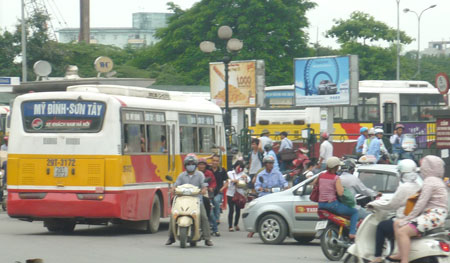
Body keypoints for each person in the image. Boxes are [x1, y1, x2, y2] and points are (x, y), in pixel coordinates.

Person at [389, 156, 448, 263]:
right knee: (397, 223)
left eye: (423, 166)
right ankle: (399, 253)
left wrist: (409, 217)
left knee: (402, 231)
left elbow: (421, 202)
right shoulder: (437, 181)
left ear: (428, 168)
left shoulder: (429, 181)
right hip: (435, 215)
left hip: (433, 215)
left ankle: (404, 260)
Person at [367, 159, 421, 263]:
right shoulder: (418, 186)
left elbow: (392, 204)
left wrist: (374, 204)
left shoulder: (404, 187)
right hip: (415, 220)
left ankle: (378, 256)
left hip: (404, 219)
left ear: (402, 173)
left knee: (381, 226)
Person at [166, 154, 213, 246]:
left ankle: (207, 238)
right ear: (185, 165)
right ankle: (171, 237)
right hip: (182, 200)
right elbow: (176, 185)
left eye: (192, 163)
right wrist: (173, 189)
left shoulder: (200, 175)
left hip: (196, 200)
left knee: (203, 217)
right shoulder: (181, 175)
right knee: (173, 215)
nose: (190, 165)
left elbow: (204, 186)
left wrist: (203, 190)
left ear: (195, 165)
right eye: (188, 163)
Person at [314, 156, 359, 239]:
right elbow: (340, 193)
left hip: (321, 205)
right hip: (332, 205)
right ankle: (352, 233)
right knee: (355, 212)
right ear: (336, 167)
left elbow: (314, 184)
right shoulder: (336, 178)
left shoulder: (320, 175)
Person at [226, 159, 249, 232]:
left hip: (239, 194)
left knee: (238, 210)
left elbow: (248, 180)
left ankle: (236, 224)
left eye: (241, 167)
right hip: (230, 193)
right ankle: (230, 226)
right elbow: (227, 181)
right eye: (238, 167)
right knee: (231, 210)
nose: (239, 169)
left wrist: (244, 178)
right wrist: (233, 181)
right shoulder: (230, 173)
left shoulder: (243, 174)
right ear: (235, 166)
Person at [209, 154, 228, 236]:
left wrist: (222, 189)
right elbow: (199, 160)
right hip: (209, 192)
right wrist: (209, 157)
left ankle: (216, 221)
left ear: (219, 162)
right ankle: (213, 225)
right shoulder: (208, 169)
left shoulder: (222, 170)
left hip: (218, 192)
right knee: (210, 208)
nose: (215, 162)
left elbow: (227, 182)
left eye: (217, 161)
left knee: (216, 202)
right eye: (213, 160)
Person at [197, 158, 217, 222]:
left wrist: (211, 188)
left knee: (210, 213)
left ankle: (215, 229)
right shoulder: (195, 173)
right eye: (200, 164)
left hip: (206, 193)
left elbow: (213, 182)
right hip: (195, 193)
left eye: (203, 165)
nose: (201, 166)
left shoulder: (209, 173)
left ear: (205, 165)